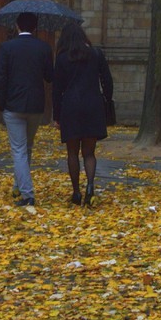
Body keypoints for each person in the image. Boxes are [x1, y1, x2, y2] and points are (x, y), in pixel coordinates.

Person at [0, 10, 54, 208]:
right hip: (36, 105)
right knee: (26, 148)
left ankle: (27, 194)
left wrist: (1, 103)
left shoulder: (7, 47)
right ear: (35, 27)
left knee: (19, 149)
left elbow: (1, 78)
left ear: (17, 26)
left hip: (13, 104)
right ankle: (18, 186)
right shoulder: (44, 48)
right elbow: (49, 76)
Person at [52, 23, 114, 206]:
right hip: (93, 104)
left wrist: (57, 115)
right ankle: (90, 186)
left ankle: (76, 191)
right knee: (89, 153)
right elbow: (107, 80)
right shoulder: (96, 54)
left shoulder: (62, 58)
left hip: (70, 106)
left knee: (72, 152)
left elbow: (57, 89)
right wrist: (106, 100)